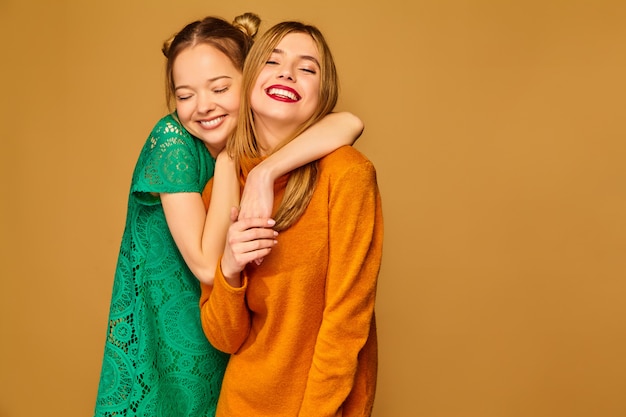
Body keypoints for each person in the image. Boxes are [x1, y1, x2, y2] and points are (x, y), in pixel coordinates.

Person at [94, 13, 364, 417]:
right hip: (171, 343)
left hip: (236, 354)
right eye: (184, 96)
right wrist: (229, 162)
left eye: (219, 88)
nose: (203, 107)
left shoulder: (273, 158)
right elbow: (208, 266)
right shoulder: (177, 142)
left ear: (251, 77)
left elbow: (350, 122)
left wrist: (262, 171)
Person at [200, 21, 383, 417]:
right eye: (272, 61)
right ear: (247, 82)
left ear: (323, 96)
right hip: (241, 403)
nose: (287, 73)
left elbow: (347, 322)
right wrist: (230, 271)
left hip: (320, 407)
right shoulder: (222, 187)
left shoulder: (347, 174)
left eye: (308, 68)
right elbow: (225, 339)